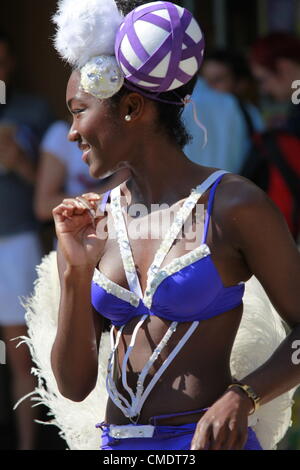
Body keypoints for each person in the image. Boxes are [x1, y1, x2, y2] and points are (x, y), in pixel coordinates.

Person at [43, 0, 300, 451]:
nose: (70, 132)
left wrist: (245, 396)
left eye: (78, 110)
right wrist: (75, 270)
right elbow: (73, 385)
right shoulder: (99, 221)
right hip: (119, 448)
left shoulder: (233, 204)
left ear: (132, 108)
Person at [0, 31, 54, 450]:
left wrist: (18, 161)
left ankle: (27, 444)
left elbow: (48, 194)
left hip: (15, 242)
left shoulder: (34, 112)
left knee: (21, 351)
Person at [34, 119, 131, 247]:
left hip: (120, 240)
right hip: (78, 243)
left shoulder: (128, 134)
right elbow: (43, 206)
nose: (72, 134)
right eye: (75, 110)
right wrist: (109, 191)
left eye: (81, 109)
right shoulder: (61, 134)